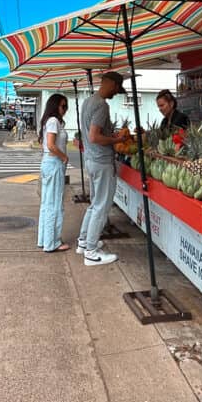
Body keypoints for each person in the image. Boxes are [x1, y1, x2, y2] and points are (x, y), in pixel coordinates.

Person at [77, 71, 130, 266]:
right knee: (102, 205)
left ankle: (84, 242)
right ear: (110, 83)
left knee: (94, 203)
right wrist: (117, 139)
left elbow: (93, 134)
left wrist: (111, 134)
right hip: (101, 161)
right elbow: (94, 136)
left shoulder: (88, 102)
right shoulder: (101, 105)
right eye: (117, 88)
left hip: (91, 160)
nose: (116, 93)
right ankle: (91, 251)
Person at [36, 94, 71, 252]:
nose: (65, 109)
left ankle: (45, 240)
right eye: (63, 106)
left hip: (49, 163)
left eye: (66, 106)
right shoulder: (53, 121)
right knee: (54, 204)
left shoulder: (50, 121)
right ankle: (52, 242)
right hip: (54, 163)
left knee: (47, 203)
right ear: (54, 106)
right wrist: (64, 157)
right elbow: (50, 145)